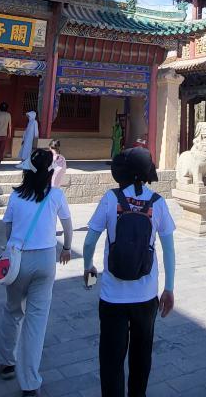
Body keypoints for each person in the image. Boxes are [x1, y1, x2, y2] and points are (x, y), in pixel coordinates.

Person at [83, 148, 175, 397]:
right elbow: (168, 250)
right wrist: (168, 288)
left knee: (111, 360)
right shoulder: (158, 203)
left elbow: (90, 240)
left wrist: (88, 268)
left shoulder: (111, 199)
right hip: (146, 296)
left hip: (113, 295)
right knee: (141, 356)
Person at [0, 148, 73, 396]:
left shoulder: (17, 196)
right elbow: (68, 227)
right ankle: (29, 382)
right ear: (50, 170)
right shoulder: (56, 195)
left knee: (13, 310)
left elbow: (8, 228)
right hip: (46, 259)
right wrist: (67, 248)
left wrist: (13, 249)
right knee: (36, 321)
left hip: (19, 258)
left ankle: (6, 361)